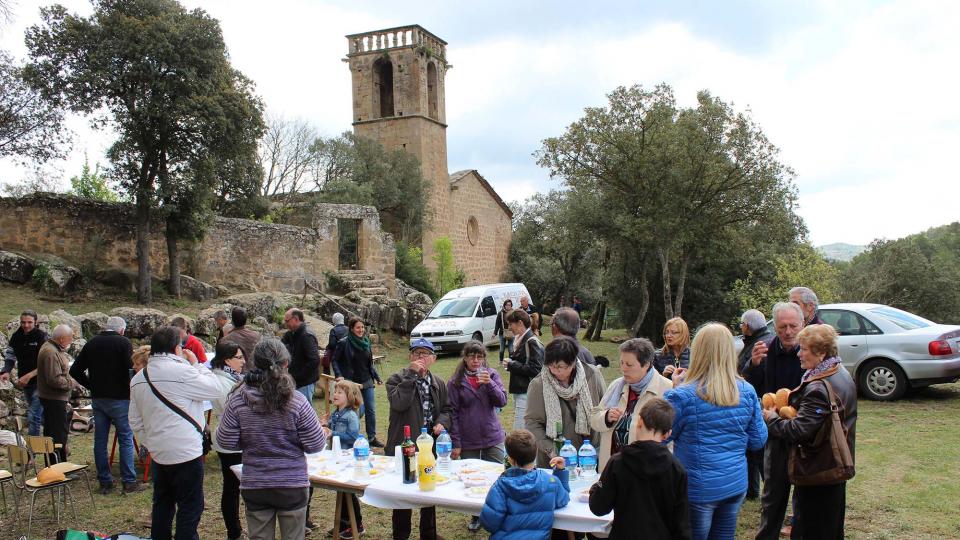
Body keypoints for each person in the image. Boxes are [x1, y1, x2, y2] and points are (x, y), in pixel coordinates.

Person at [664, 323, 767, 540]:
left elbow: (662, 436)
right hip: (735, 482)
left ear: (698, 352)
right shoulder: (747, 391)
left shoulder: (682, 395)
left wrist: (674, 390)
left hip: (698, 487)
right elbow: (758, 440)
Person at [217, 338, 326, 540]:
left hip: (256, 482)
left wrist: (248, 440)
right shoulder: (297, 400)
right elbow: (316, 444)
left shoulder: (238, 398)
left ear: (254, 363)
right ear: (285, 364)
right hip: (291, 483)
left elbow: (225, 440)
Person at [762, 324, 857, 539]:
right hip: (835, 463)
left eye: (803, 349)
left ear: (821, 352)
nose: (798, 354)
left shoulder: (818, 387)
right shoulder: (841, 373)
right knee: (830, 527)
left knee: (811, 529)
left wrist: (772, 418)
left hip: (818, 468)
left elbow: (799, 431)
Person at [130, 326, 221, 540]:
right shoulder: (183, 371)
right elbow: (215, 389)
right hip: (186, 450)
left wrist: (150, 443)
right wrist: (197, 364)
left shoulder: (138, 378)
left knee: (162, 504)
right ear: (176, 348)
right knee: (190, 506)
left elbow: (134, 420)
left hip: (159, 452)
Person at [588, 398, 691, 540]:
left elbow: (598, 507)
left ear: (639, 422)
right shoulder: (677, 470)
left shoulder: (617, 463)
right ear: (668, 434)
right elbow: (682, 524)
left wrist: (595, 488)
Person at [744, 302, 805, 540]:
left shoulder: (810, 351)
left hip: (803, 432)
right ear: (774, 327)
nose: (788, 331)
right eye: (782, 327)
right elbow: (748, 386)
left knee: (804, 495)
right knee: (773, 495)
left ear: (803, 324)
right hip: (775, 432)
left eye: (793, 326)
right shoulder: (766, 350)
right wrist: (753, 365)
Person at [386, 338, 452, 540]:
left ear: (433, 358)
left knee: (429, 488)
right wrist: (411, 375)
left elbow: (447, 409)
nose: (421, 357)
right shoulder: (396, 379)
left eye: (425, 354)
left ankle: (429, 533)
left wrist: (442, 422)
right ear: (410, 357)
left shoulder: (438, 382)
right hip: (404, 444)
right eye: (416, 353)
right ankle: (401, 534)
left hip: (429, 446)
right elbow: (399, 403)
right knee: (403, 492)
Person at [70, 316, 145, 494]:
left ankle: (105, 481)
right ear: (122, 330)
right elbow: (132, 367)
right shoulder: (123, 343)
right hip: (120, 397)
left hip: (99, 398)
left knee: (100, 440)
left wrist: (91, 385)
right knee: (125, 437)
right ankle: (129, 481)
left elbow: (75, 370)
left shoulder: (92, 343)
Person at [447, 340, 508, 531]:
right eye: (471, 356)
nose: (475, 360)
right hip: (468, 437)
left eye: (479, 356)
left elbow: (502, 401)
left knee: (499, 476)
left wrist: (489, 384)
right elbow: (453, 413)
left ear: (484, 358)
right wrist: (456, 442)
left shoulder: (491, 375)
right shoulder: (455, 382)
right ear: (464, 358)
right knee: (471, 478)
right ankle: (476, 516)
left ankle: (500, 514)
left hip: (492, 434)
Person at [590, 338, 673, 471]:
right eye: (621, 363)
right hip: (611, 471)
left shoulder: (667, 390)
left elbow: (671, 439)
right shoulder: (616, 385)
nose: (623, 369)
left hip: (645, 472)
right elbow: (594, 418)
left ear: (646, 364)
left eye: (629, 365)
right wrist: (606, 417)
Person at [525, 335, 605, 468]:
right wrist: (551, 450)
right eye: (552, 366)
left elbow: (604, 408)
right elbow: (532, 423)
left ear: (573, 362)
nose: (556, 371)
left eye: (561, 367)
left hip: (590, 456)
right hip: (555, 459)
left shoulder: (592, 375)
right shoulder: (539, 384)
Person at [479, 429, 570, 539]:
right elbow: (564, 499)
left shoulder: (500, 486)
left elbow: (489, 524)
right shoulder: (551, 481)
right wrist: (561, 471)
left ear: (510, 459)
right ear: (535, 453)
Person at [210, 341, 246, 540]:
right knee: (232, 487)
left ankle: (236, 528)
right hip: (230, 439)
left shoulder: (231, 378)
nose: (243, 361)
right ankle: (234, 530)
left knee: (233, 486)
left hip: (234, 438)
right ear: (227, 360)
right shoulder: (223, 381)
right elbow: (234, 411)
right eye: (239, 358)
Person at [321, 379, 365, 538]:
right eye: (335, 392)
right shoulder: (336, 413)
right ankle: (344, 525)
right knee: (341, 492)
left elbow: (353, 437)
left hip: (348, 458)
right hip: (337, 458)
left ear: (350, 396)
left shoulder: (351, 415)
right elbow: (330, 429)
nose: (335, 394)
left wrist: (333, 433)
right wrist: (325, 424)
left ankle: (357, 525)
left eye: (340, 392)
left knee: (349, 493)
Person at [738, 309, 773, 500]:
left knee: (758, 450)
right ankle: (752, 491)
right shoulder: (762, 340)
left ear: (748, 327)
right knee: (753, 450)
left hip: (758, 401)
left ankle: (769, 490)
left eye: (742, 324)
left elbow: (754, 375)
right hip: (758, 400)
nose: (741, 327)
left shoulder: (759, 345)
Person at [333, 316, 384, 447]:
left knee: (371, 410)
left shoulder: (366, 342)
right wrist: (339, 375)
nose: (361, 330)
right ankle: (353, 436)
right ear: (351, 329)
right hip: (352, 384)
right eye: (358, 327)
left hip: (366, 381)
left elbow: (369, 364)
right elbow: (335, 360)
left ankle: (372, 438)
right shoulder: (344, 342)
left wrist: (377, 377)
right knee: (358, 410)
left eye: (362, 327)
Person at [1, 310, 48, 435]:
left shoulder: (42, 337)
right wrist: (6, 371)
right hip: (26, 383)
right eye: (23, 322)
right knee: (41, 416)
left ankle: (33, 449)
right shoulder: (17, 336)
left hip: (43, 382)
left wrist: (29, 375)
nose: (26, 325)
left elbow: (48, 362)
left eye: (29, 322)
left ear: (36, 322)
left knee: (33, 414)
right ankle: (55, 442)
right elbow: (10, 355)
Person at [37, 324, 75, 463]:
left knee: (55, 434)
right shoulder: (51, 352)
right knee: (58, 436)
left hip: (52, 398)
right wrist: (71, 383)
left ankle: (56, 466)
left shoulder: (51, 349)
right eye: (69, 339)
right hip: (54, 399)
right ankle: (57, 468)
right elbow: (54, 379)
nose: (70, 342)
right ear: (62, 338)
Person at [501, 309, 544, 431]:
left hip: (527, 392)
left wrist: (511, 365)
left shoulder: (532, 342)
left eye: (510, 324)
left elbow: (536, 369)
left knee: (519, 432)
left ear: (520, 323)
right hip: (520, 391)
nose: (509, 328)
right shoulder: (520, 340)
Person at [281, 308, 321, 404]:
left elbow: (314, 360)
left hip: (305, 383)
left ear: (296, 319)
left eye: (287, 321)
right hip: (295, 380)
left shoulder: (306, 335)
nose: (285, 324)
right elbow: (281, 345)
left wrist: (298, 376)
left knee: (305, 411)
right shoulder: (291, 333)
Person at [222, 307, 261, 372]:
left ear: (232, 321)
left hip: (237, 374)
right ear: (246, 320)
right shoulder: (257, 336)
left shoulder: (226, 339)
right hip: (255, 373)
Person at [324, 312, 349, 376]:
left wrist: (327, 348)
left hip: (337, 355)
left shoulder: (334, 330)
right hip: (348, 354)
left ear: (334, 320)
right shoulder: (348, 329)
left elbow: (332, 344)